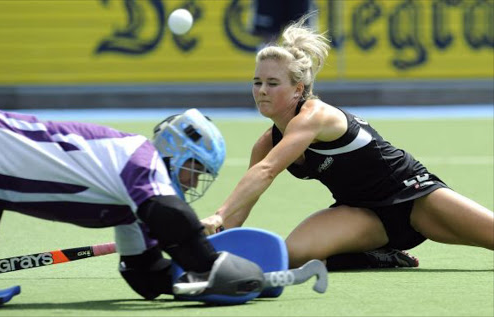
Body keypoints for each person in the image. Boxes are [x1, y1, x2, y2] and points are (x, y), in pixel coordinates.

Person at [201, 14, 494, 270]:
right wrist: (208, 250)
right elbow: (244, 203)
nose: (262, 91)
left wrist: (219, 214)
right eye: (257, 82)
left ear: (297, 90)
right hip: (362, 215)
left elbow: (266, 171)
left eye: (273, 83)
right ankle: (376, 256)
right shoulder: (266, 143)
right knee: (291, 255)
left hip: (414, 199)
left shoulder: (314, 116)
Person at [0, 107, 264, 307]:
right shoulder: (142, 159)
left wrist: (197, 283)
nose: (192, 183)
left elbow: (145, 273)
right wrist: (212, 265)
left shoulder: (134, 203)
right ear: (175, 150)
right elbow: (172, 218)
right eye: (195, 168)